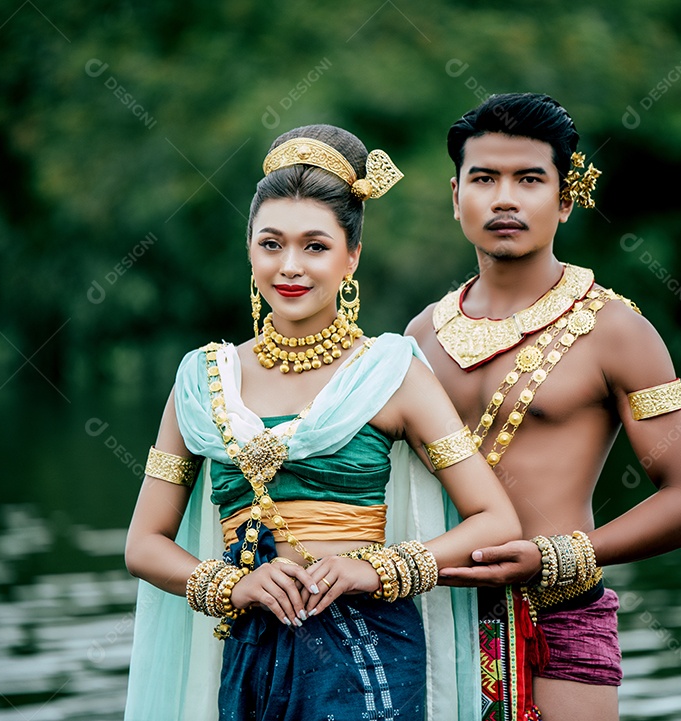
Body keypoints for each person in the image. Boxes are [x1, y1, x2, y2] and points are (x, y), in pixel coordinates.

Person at [122, 124, 521, 721]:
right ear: (249, 249)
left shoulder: (390, 373)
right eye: (270, 244)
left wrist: (375, 569)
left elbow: (494, 520)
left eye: (315, 246)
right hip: (252, 644)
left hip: (368, 648)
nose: (290, 267)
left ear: (351, 255)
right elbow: (143, 544)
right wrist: (231, 585)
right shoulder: (204, 380)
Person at [407, 93, 681, 721]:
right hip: (430, 616)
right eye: (484, 179)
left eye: (529, 179)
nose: (504, 198)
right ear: (455, 197)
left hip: (558, 615)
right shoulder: (417, 337)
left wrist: (561, 555)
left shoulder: (616, 331)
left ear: (566, 198)